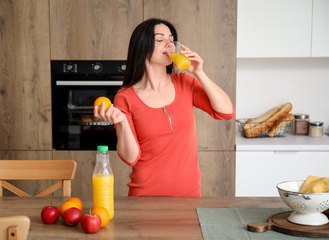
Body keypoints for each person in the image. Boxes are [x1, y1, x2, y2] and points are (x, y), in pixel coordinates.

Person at [94, 18, 235, 197]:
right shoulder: (125, 97)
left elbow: (226, 112)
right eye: (160, 40)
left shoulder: (185, 83)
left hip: (189, 197)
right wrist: (121, 122)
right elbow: (131, 158)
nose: (169, 44)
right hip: (145, 198)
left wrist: (199, 73)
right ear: (142, 46)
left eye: (171, 39)